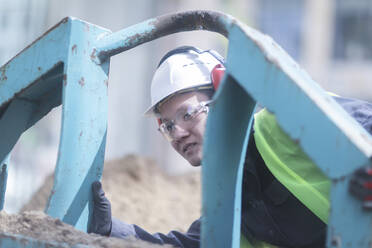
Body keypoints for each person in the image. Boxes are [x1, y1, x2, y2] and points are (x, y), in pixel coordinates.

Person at [89, 46, 372, 248]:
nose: (178, 134)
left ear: (223, 101)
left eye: (188, 114)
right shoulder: (228, 193)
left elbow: (364, 122)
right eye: (168, 126)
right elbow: (191, 246)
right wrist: (111, 230)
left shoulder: (284, 123)